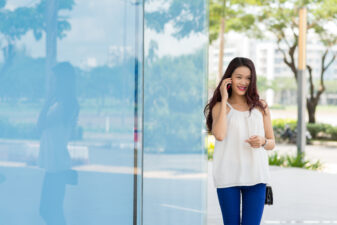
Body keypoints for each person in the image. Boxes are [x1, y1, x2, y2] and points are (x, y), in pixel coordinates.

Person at [204, 57, 275, 225]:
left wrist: (263, 141)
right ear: (229, 79)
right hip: (228, 177)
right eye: (239, 77)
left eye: (248, 78)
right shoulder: (220, 107)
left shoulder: (261, 106)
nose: (243, 82)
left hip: (256, 176)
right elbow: (219, 135)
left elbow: (272, 142)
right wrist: (223, 98)